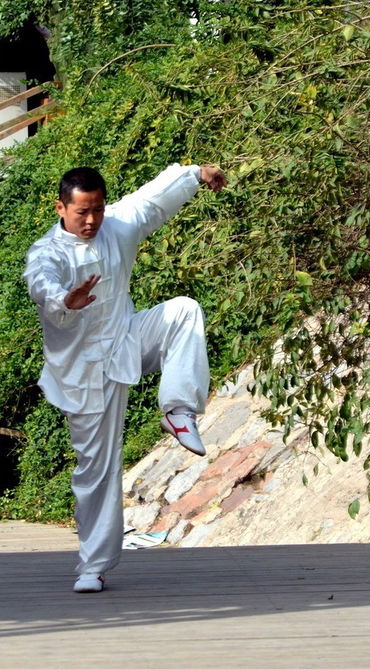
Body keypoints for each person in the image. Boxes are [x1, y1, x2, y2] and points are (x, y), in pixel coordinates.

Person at [23, 162, 227, 593]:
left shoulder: (117, 225)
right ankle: (92, 567)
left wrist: (196, 174)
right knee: (97, 469)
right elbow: (41, 284)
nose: (91, 220)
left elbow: (154, 199)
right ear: (61, 208)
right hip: (82, 372)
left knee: (184, 311)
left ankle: (178, 409)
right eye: (82, 212)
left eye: (97, 209)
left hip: (126, 339)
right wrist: (65, 299)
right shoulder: (47, 252)